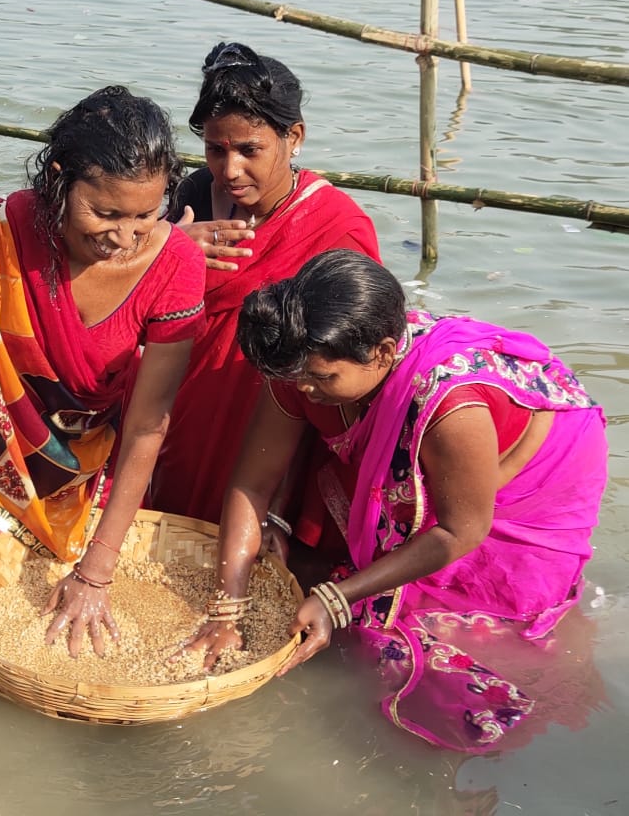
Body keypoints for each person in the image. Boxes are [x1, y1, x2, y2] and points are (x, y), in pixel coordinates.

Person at [187, 250, 607, 750]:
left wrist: (337, 598)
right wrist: (226, 610)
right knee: (371, 584)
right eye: (299, 378)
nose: (304, 390)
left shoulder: (450, 404)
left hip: (535, 467)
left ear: (384, 354)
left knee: (475, 608)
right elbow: (252, 483)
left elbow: (460, 530)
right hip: (429, 435)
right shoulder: (301, 363)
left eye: (322, 379)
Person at [0, 86, 206, 657]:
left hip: (95, 471)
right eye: (104, 213)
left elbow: (149, 425)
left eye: (146, 215)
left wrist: (97, 571)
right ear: (58, 180)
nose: (124, 238)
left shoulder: (176, 264)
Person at [149, 42, 379, 541]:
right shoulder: (191, 197)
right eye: (216, 149)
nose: (229, 170)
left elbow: (344, 364)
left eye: (249, 150)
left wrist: (279, 501)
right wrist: (168, 248)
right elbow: (139, 298)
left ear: (293, 138)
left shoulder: (337, 228)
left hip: (274, 423)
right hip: (185, 407)